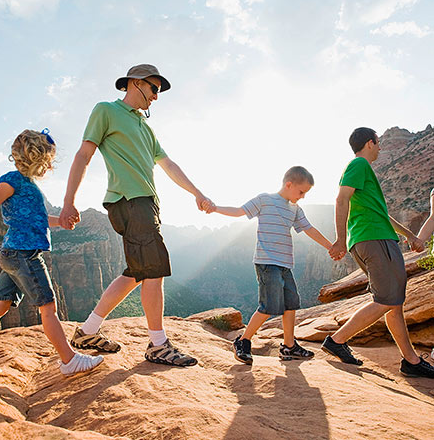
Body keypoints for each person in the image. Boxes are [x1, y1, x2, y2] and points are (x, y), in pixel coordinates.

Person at [59, 64, 212, 367]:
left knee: (137, 272)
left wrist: (196, 192)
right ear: (135, 83)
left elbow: (168, 165)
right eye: (154, 88)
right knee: (154, 271)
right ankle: (158, 345)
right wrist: (68, 202)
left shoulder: (145, 127)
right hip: (130, 202)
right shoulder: (106, 110)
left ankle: (87, 332)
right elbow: (83, 155)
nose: (156, 96)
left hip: (147, 203)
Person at [0, 129, 103, 382]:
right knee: (48, 308)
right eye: (49, 160)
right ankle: (69, 360)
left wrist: (61, 222)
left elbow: (38, 219)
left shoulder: (30, 186)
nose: (50, 165)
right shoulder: (11, 182)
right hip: (23, 255)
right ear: (39, 159)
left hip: (13, 254)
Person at [324, 127, 434, 378]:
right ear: (370, 143)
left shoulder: (364, 171)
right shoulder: (359, 165)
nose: (381, 148)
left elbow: (383, 215)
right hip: (373, 239)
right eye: (379, 143)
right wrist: (340, 240)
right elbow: (341, 200)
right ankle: (337, 340)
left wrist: (410, 236)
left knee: (394, 303)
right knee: (387, 300)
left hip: (377, 236)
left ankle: (411, 362)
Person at [204, 166, 332, 365]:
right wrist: (215, 208)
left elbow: (309, 229)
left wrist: (330, 246)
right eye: (301, 192)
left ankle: (289, 346)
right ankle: (243, 341)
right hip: (267, 262)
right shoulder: (265, 200)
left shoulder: (296, 209)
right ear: (289, 184)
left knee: (291, 305)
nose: (303, 197)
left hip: (285, 264)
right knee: (269, 306)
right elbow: (239, 211)